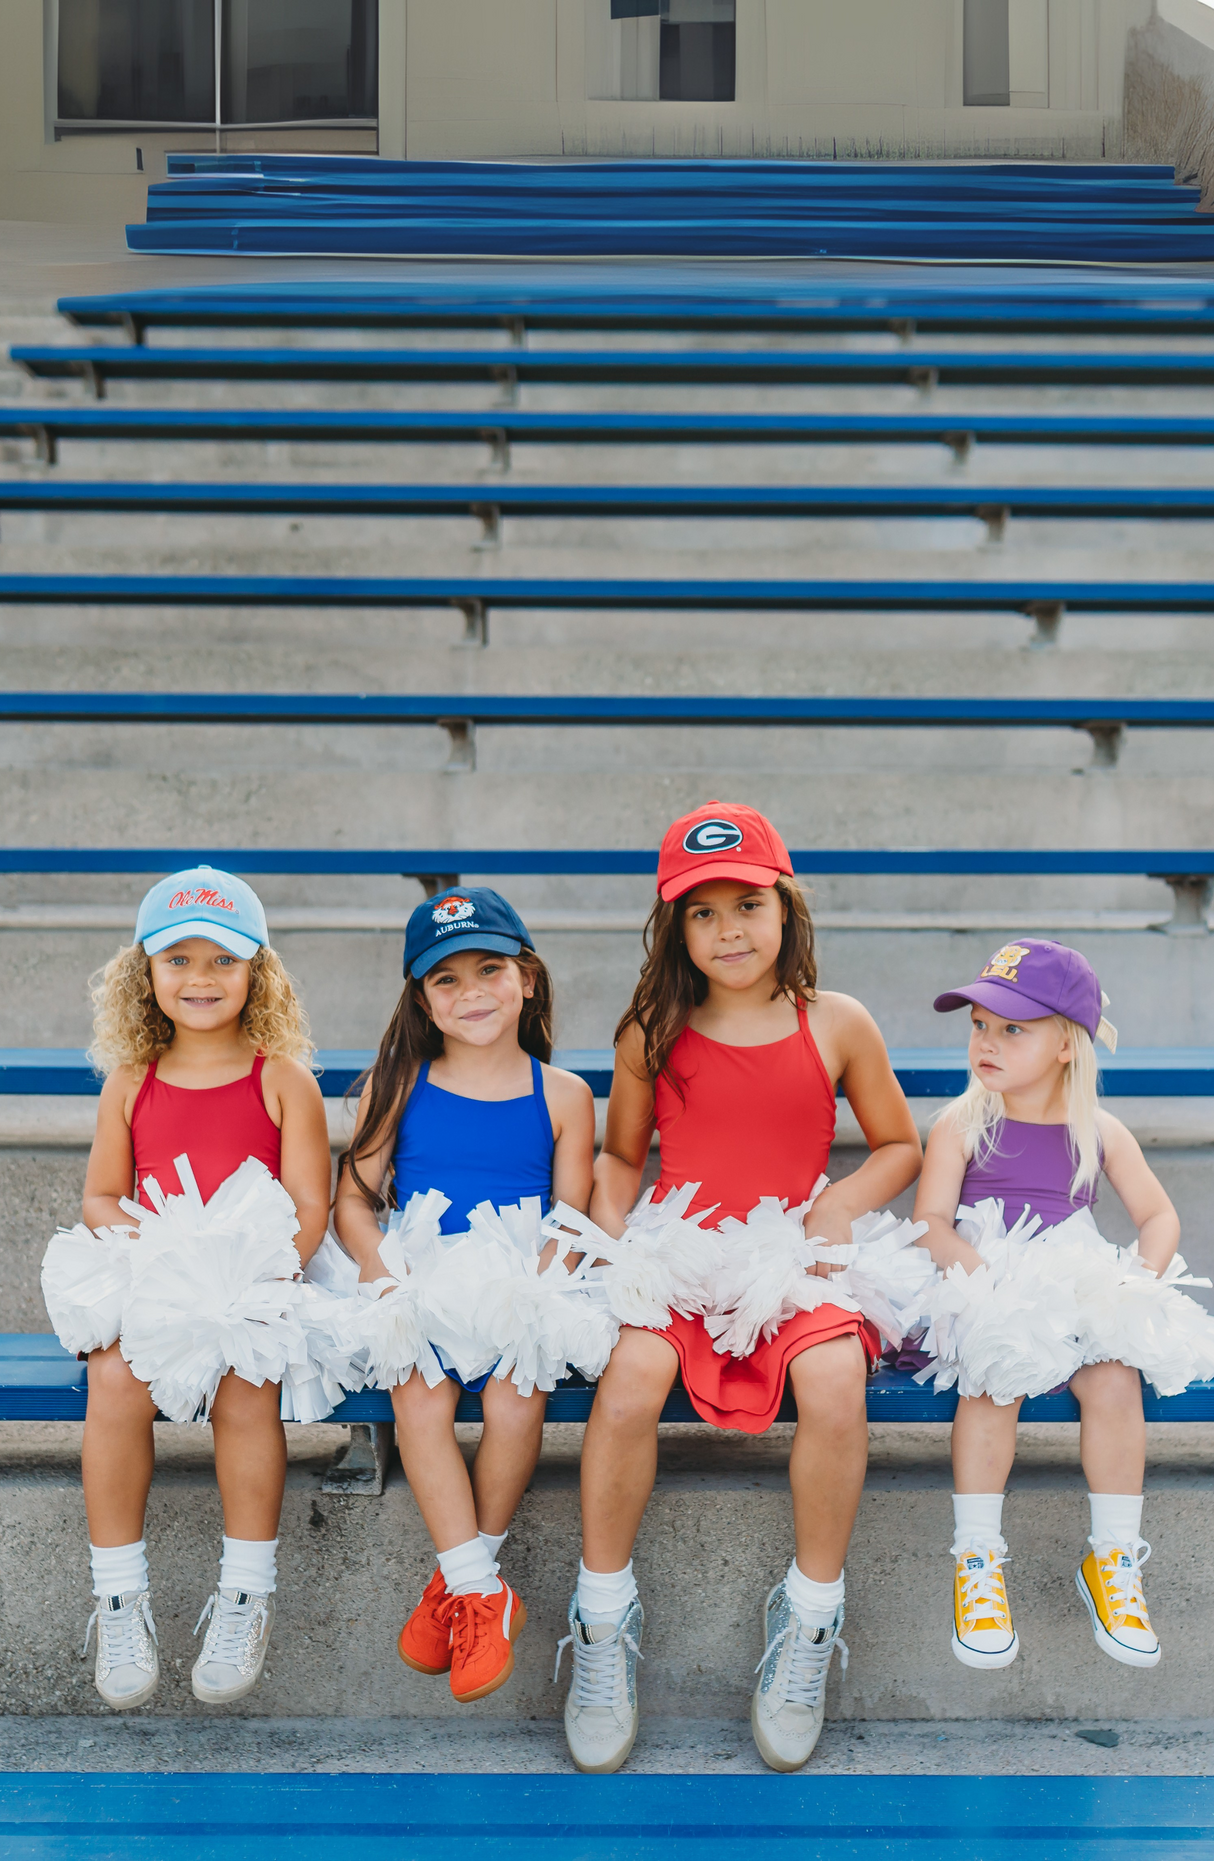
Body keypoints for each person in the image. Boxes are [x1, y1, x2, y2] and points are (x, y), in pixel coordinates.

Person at [559, 802, 923, 1774]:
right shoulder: (649, 1028)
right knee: (629, 1380)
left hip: (791, 1250)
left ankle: (807, 1621)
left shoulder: (835, 1021)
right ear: (674, 929)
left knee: (836, 1383)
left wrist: (840, 1201)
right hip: (681, 1246)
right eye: (701, 912)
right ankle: (600, 1624)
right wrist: (606, 1244)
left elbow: (898, 1144)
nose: (728, 931)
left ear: (785, 908)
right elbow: (621, 1157)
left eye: (746, 905)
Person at [72, 867, 330, 1710]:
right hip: (158, 1277)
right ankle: (119, 1595)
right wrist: (164, 1251)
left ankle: (246, 1591)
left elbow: (308, 1206)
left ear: (259, 970)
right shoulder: (131, 1082)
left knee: (248, 1382)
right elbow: (101, 1196)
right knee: (111, 1378)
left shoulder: (281, 1076)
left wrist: (245, 1280)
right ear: (144, 974)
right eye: (178, 959)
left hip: (259, 1279)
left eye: (223, 959)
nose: (201, 978)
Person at [333, 887, 595, 1705]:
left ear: (527, 978)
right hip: (422, 1271)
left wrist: (542, 1288)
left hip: (520, 1277)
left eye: (490, 969)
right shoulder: (398, 1082)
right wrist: (382, 1271)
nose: (472, 991)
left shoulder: (564, 1094)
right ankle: (484, 1591)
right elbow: (353, 1200)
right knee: (419, 1398)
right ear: (421, 998)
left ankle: (460, 1582)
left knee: (520, 1398)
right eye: (447, 980)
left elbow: (573, 1213)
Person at [915, 938, 1199, 1675]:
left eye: (1013, 1028)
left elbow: (1160, 1218)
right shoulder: (960, 1125)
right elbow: (931, 1222)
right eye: (980, 1024)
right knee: (993, 1373)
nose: (987, 1041)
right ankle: (976, 1559)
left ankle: (1113, 1562)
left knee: (1112, 1377)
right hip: (982, 1275)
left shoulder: (1098, 1131)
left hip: (1072, 1275)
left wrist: (1135, 1280)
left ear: (1067, 1044)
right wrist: (986, 1282)